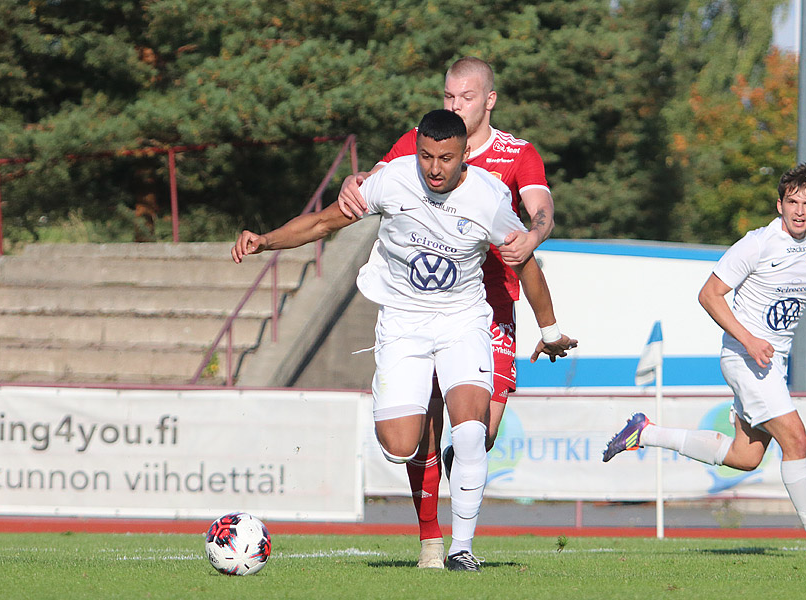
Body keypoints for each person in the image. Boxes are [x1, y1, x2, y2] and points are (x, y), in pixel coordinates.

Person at [233, 109, 575, 571]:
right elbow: (322, 224)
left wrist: (549, 331)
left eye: (446, 158)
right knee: (400, 444)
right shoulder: (391, 181)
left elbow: (526, 265)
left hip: (463, 322)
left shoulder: (489, 198)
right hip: (402, 323)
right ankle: (430, 510)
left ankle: (461, 549)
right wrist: (266, 241)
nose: (435, 168)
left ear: (465, 156)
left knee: (473, 433)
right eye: (427, 156)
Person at [337, 57, 563, 569]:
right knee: (425, 428)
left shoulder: (516, 154)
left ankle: (452, 512)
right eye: (447, 96)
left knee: (480, 430)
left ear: (489, 100)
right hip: (419, 305)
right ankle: (438, 541)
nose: (453, 106)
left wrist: (535, 232)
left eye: (464, 97)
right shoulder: (423, 139)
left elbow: (541, 206)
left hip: (489, 303)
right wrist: (356, 182)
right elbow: (379, 179)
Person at [602, 163, 806, 559]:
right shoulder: (757, 243)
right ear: (779, 203)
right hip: (744, 357)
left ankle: (645, 433)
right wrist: (748, 340)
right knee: (796, 439)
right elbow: (709, 294)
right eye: (793, 202)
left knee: (746, 457)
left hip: (773, 362)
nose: (800, 211)